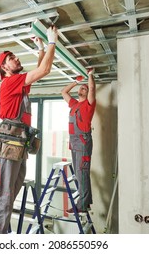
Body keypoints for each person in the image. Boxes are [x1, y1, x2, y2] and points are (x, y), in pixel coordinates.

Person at [0, 25, 58, 234]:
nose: (17, 59)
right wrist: (51, 41)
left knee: (7, 194)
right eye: (11, 58)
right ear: (4, 67)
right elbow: (45, 70)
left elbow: (38, 73)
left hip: (17, 145)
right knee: (3, 197)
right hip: (9, 145)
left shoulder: (18, 84)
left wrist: (40, 49)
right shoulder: (10, 83)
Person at [61, 69, 96, 213]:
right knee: (79, 174)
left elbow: (92, 88)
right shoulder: (74, 104)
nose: (83, 88)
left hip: (83, 141)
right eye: (82, 87)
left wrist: (89, 76)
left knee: (82, 174)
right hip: (74, 142)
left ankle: (81, 206)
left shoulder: (89, 104)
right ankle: (85, 202)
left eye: (85, 88)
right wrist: (76, 82)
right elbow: (64, 92)